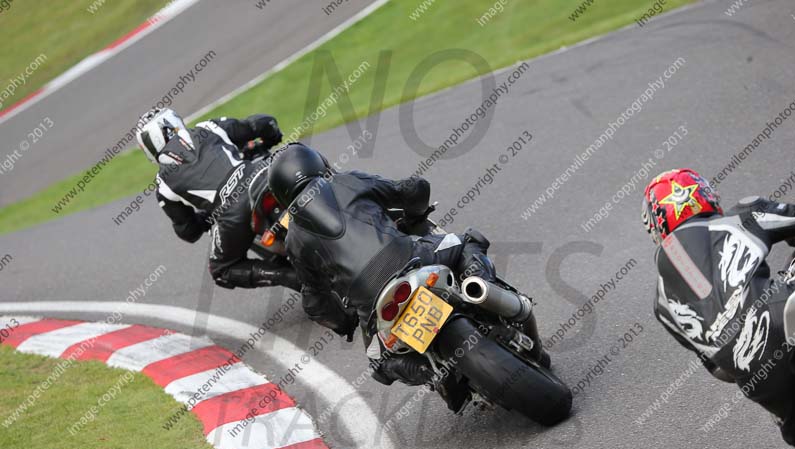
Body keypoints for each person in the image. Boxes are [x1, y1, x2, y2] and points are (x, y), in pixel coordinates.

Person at [265, 143, 548, 386]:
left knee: (379, 362)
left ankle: (433, 373)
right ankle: (480, 287)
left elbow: (315, 302)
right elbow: (412, 189)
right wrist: (415, 213)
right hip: (412, 258)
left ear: (281, 192)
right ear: (318, 163)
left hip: (373, 303)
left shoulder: (294, 240)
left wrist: (344, 323)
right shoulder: (345, 181)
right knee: (468, 241)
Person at [642, 168, 795, 449]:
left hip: (756, 379)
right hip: (785, 315)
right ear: (704, 195)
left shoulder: (661, 304)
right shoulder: (743, 214)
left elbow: (719, 371)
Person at [135, 107, 298, 290]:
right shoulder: (208, 127)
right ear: (173, 122)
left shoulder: (162, 184)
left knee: (222, 271)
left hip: (232, 216)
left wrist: (206, 216)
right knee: (299, 161)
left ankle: (292, 277)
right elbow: (258, 124)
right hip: (262, 175)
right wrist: (273, 136)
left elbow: (188, 231)